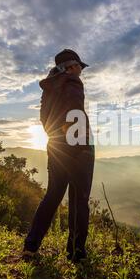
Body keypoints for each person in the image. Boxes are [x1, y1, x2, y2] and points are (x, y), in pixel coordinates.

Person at [23, 49, 95, 263]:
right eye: (80, 66)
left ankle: (31, 246)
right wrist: (79, 144)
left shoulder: (49, 88)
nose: (81, 70)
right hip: (78, 146)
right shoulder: (73, 82)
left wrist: (58, 138)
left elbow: (44, 118)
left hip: (55, 145)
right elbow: (75, 112)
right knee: (79, 199)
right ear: (71, 66)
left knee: (53, 195)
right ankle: (76, 252)